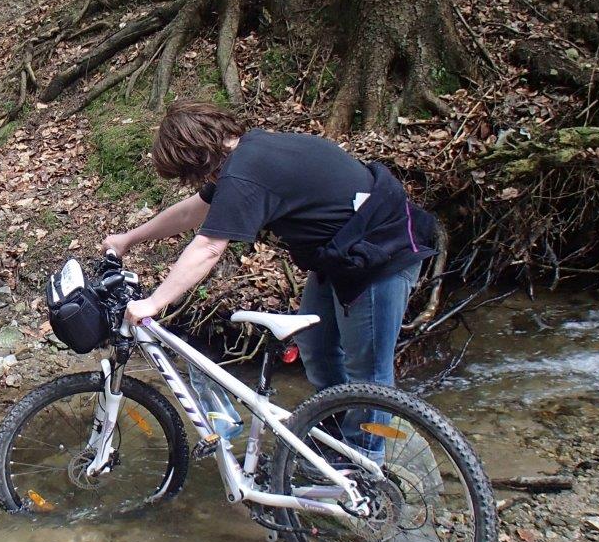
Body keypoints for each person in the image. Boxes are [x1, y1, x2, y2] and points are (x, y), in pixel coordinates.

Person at [103, 100, 437, 396]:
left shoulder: (244, 174)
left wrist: (155, 302)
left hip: (382, 254)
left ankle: (366, 460)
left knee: (370, 375)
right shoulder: (247, 156)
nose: (192, 182)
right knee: (316, 347)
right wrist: (128, 239)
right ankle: (332, 429)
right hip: (342, 256)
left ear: (197, 157)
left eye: (188, 174)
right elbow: (194, 211)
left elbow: (207, 247)